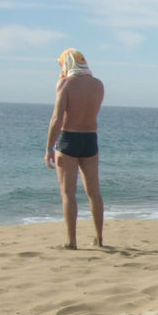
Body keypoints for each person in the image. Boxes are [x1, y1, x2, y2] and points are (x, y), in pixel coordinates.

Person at [45, 48, 105, 249]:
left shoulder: (66, 84)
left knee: (68, 193)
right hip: (90, 139)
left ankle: (71, 241)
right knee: (93, 192)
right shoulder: (98, 85)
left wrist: (49, 147)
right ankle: (99, 237)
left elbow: (57, 118)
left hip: (69, 139)